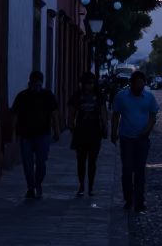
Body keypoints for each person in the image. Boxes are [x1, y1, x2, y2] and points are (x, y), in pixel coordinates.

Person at [111, 70, 159, 212]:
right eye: (137, 83)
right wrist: (113, 133)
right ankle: (128, 198)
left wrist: (148, 129)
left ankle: (139, 200)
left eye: (142, 83)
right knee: (127, 170)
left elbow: (153, 115)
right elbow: (115, 115)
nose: (140, 86)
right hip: (126, 138)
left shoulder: (149, 97)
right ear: (131, 83)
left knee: (139, 171)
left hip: (142, 139)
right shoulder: (122, 96)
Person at [10, 70, 60, 199]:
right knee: (27, 162)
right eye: (33, 83)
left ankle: (38, 183)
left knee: (41, 162)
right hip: (25, 134)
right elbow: (14, 116)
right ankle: (30, 187)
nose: (35, 86)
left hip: (43, 134)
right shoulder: (22, 96)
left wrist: (57, 130)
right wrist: (13, 133)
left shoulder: (48, 96)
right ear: (29, 83)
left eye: (38, 84)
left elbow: (54, 114)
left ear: (41, 84)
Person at [67, 71, 109, 197]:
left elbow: (103, 112)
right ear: (82, 84)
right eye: (87, 83)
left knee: (92, 161)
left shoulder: (99, 96)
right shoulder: (77, 96)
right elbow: (71, 113)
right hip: (80, 131)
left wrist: (105, 127)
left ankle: (90, 187)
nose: (89, 86)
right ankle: (81, 186)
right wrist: (71, 127)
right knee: (81, 161)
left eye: (91, 83)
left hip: (95, 132)